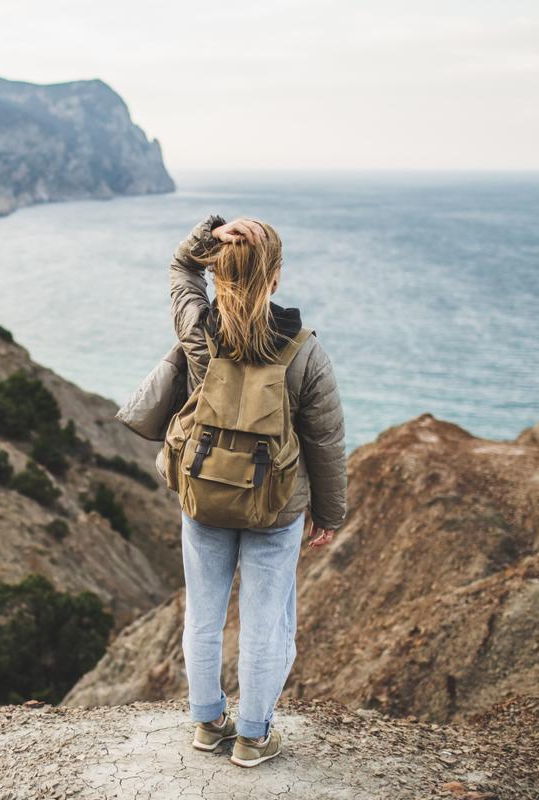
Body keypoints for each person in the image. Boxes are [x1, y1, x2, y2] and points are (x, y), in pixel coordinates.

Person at [166, 215, 347, 767]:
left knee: (204, 613)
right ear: (275, 279)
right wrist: (329, 513)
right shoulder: (305, 351)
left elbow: (179, 269)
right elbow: (326, 440)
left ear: (219, 275)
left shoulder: (200, 330)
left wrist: (209, 235)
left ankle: (206, 723)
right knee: (265, 622)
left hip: (206, 496)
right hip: (276, 508)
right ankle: (252, 735)